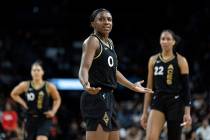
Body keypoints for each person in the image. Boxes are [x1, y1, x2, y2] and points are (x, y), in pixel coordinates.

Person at [78, 8, 153, 140]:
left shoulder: (109, 43)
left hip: (109, 98)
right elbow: (84, 67)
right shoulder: (92, 41)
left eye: (109, 19)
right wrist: (85, 84)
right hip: (96, 97)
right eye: (101, 19)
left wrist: (132, 86)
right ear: (92, 24)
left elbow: (113, 71)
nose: (106, 22)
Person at [140, 29, 192, 140]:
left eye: (168, 39)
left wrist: (187, 113)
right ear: (160, 41)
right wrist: (144, 112)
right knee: (150, 138)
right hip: (158, 100)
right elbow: (149, 87)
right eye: (163, 39)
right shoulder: (153, 60)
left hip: (176, 103)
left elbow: (187, 89)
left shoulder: (181, 60)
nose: (165, 41)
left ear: (173, 42)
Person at [10, 60, 61, 140]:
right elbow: (13, 94)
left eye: (38, 70)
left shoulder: (49, 86)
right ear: (31, 72)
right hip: (30, 117)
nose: (36, 72)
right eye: (34, 70)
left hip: (44, 118)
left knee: (41, 138)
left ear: (42, 72)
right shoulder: (25, 85)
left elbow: (57, 99)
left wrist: (53, 111)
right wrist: (23, 103)